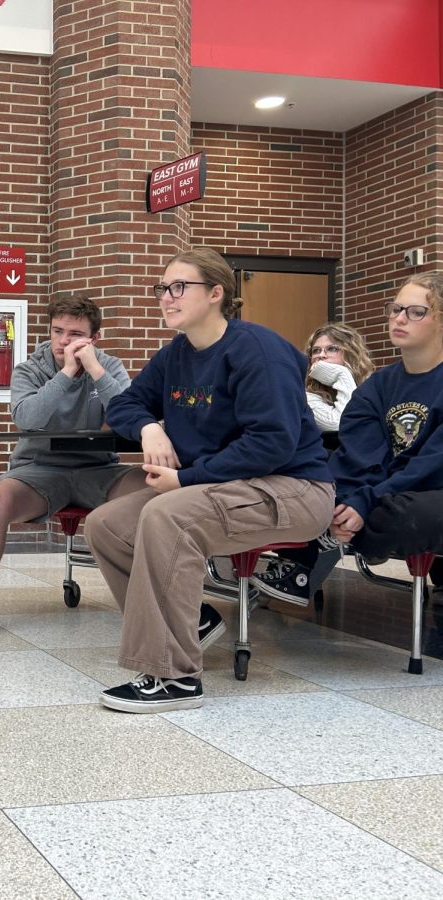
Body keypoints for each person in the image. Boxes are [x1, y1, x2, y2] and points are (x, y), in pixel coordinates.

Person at [83, 248, 334, 712]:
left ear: (217, 293)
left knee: (166, 515)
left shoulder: (258, 350)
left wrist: (186, 478)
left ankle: (174, 677)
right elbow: (123, 404)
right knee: (107, 526)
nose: (166, 297)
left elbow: (271, 444)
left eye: (180, 287)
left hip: (292, 488)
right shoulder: (176, 354)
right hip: (217, 487)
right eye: (162, 287)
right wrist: (148, 426)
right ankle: (192, 622)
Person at [0, 294, 140, 640]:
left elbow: (129, 419)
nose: (64, 341)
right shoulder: (31, 369)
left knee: (154, 491)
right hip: (40, 468)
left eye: (75, 334)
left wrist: (94, 370)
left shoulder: (109, 367)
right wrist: (67, 372)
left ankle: (157, 600)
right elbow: (28, 419)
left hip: (99, 470)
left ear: (94, 338)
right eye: (58, 331)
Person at [256, 274, 443, 605]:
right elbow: (359, 454)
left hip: (430, 492)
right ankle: (331, 534)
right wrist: (352, 498)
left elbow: (429, 464)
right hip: (390, 496)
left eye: (415, 312)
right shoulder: (377, 386)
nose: (399, 318)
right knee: (312, 486)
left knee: (400, 517)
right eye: (396, 309)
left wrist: (365, 500)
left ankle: (329, 537)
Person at [302, 322, 374, 433]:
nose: (321, 355)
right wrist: (342, 373)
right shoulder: (306, 397)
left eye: (332, 349)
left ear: (350, 355)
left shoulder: (371, 388)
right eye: (316, 350)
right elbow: (343, 424)